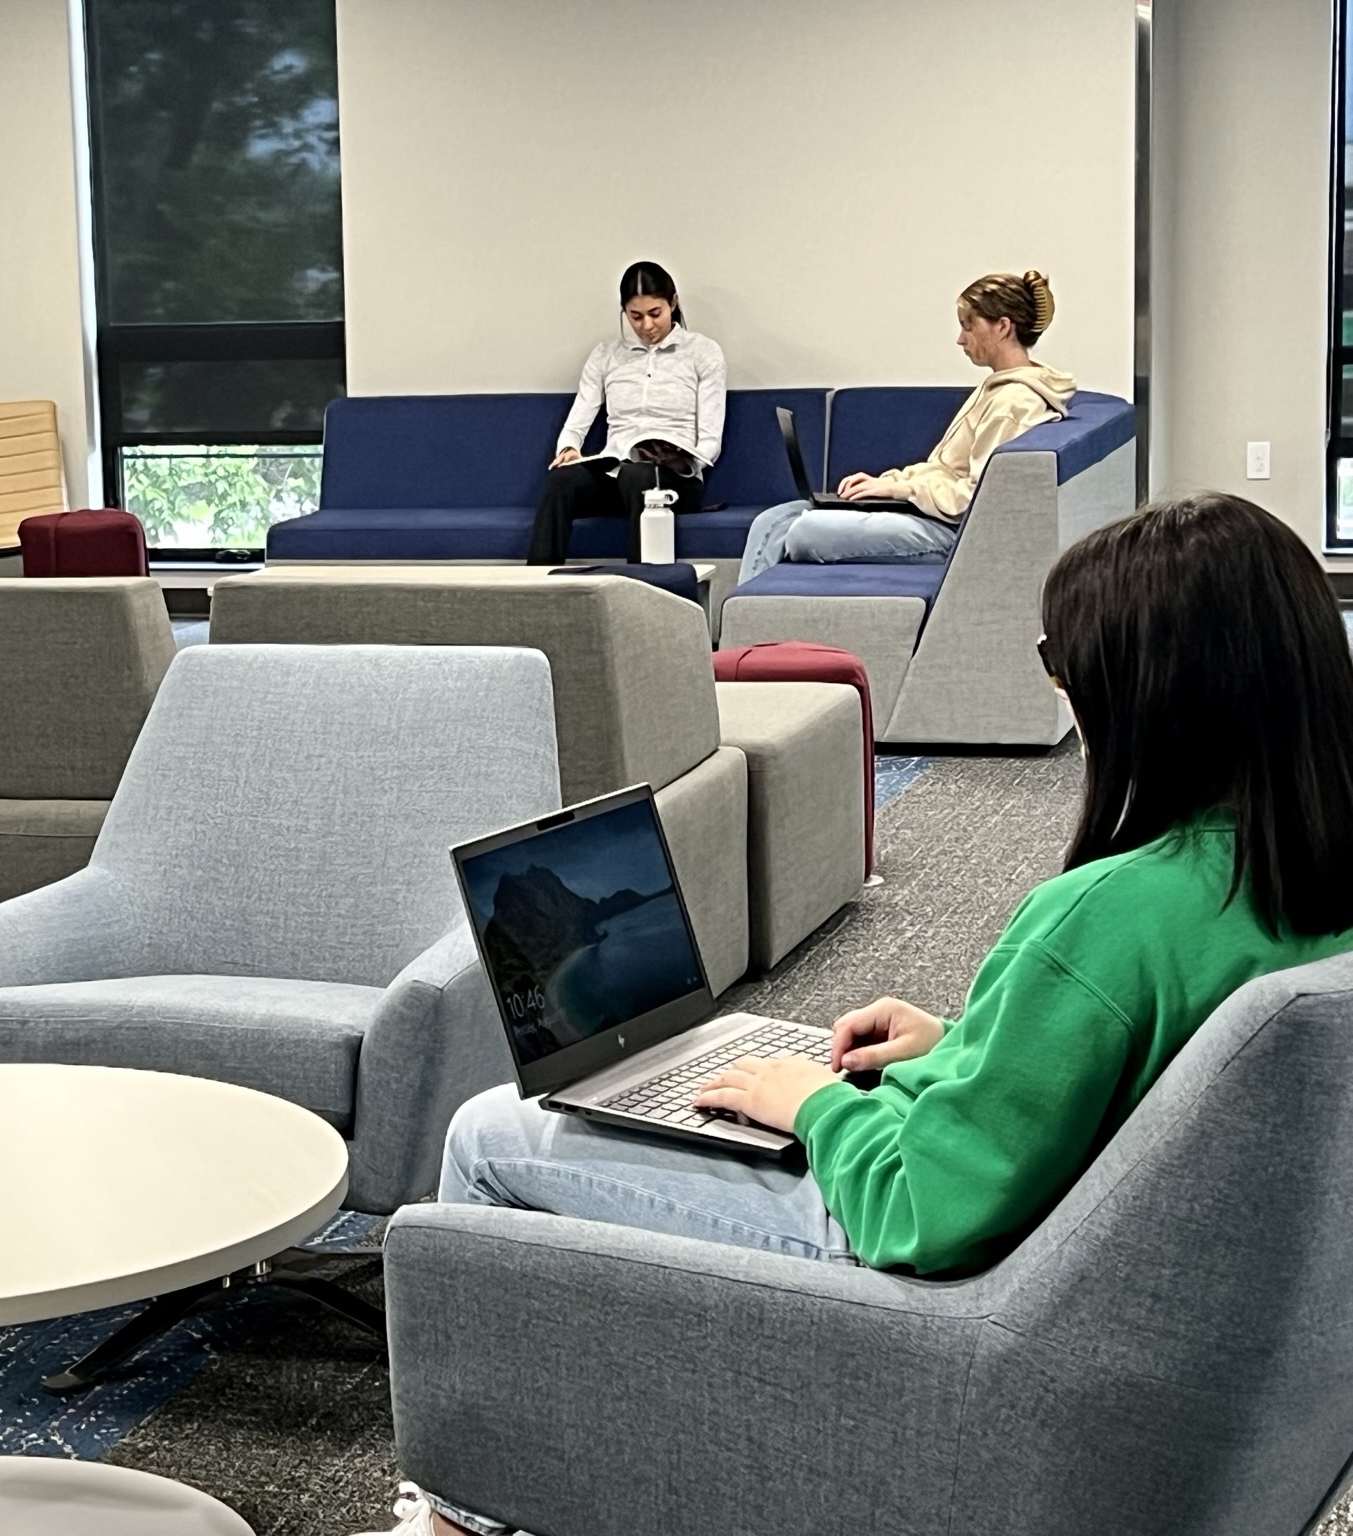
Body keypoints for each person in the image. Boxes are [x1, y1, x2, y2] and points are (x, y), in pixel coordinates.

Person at [365, 491, 1353, 1536]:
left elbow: (919, 1213)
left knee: (488, 1135)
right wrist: (962, 1044)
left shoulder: (1111, 916)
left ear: (1146, 694)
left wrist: (809, 1107)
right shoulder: (1306, 877)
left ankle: (461, 1512)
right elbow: (1139, 1088)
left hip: (931, 1255)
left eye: (1058, 656)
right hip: (1073, 1249)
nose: (1057, 679)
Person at [738, 271, 1075, 583]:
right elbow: (943, 469)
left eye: (968, 326)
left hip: (948, 532)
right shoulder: (997, 387)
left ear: (1002, 327)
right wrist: (890, 482)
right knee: (775, 518)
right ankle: (746, 630)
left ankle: (748, 637)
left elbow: (976, 499)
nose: (960, 339)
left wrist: (901, 492)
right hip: (932, 514)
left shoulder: (1013, 403)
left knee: (803, 531)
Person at [526, 262, 726, 564]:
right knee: (563, 481)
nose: (646, 326)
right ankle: (538, 593)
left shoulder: (703, 353)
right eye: (636, 316)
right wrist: (568, 448)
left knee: (639, 473)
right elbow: (577, 421)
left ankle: (639, 592)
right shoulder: (606, 356)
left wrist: (684, 459)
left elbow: (711, 440)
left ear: (672, 302)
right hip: (616, 477)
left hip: (673, 483)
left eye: (655, 313)